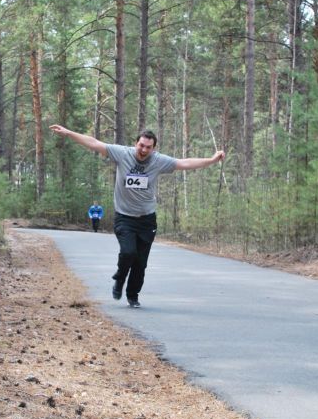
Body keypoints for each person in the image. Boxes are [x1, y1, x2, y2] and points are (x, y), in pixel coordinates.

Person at [50, 124, 225, 308]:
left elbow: (185, 163)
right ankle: (119, 278)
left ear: (153, 148)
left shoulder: (158, 161)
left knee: (140, 263)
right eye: (141, 145)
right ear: (136, 144)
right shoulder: (122, 154)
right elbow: (94, 143)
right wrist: (69, 133)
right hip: (124, 217)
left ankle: (132, 296)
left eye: (148, 147)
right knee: (128, 252)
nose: (144, 150)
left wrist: (211, 160)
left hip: (147, 219)